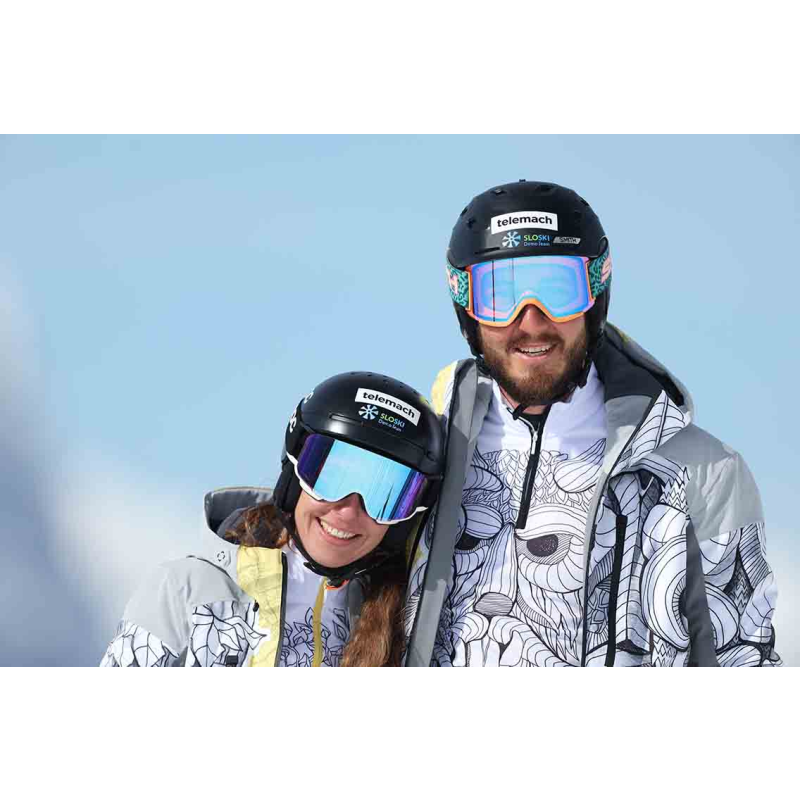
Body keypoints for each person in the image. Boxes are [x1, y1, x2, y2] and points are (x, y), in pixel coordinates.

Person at [404, 180, 781, 667]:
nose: (531, 321)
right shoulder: (421, 459)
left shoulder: (705, 475)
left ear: (595, 296)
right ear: (467, 309)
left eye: (559, 290)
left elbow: (743, 663)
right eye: (500, 294)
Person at [100, 371, 444, 667]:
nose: (349, 509)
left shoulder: (397, 629)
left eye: (386, 496)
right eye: (332, 477)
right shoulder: (189, 591)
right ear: (294, 474)